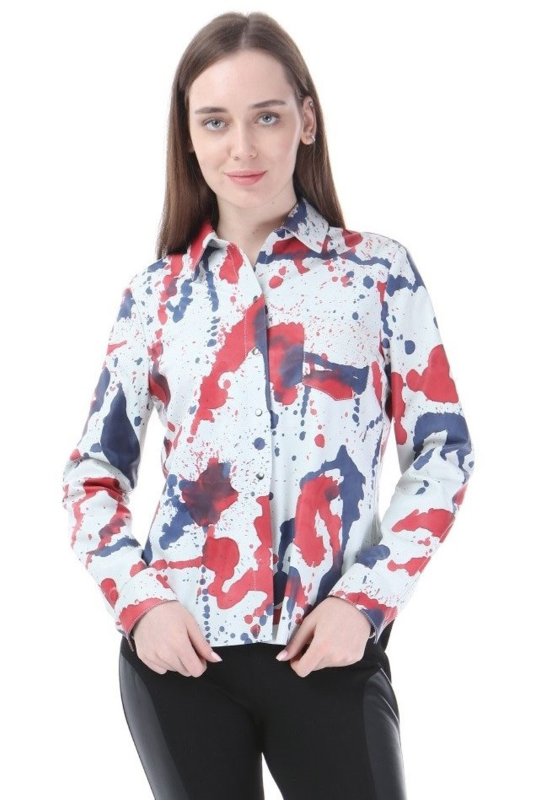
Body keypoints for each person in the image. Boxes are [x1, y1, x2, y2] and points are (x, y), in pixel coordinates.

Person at [61, 11, 475, 800]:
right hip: (181, 658)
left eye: (267, 117)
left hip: (328, 647)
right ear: (188, 136)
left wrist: (365, 600)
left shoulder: (377, 274)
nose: (242, 148)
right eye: (215, 122)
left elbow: (443, 452)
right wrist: (140, 604)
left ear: (305, 121)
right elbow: (91, 475)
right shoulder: (156, 297)